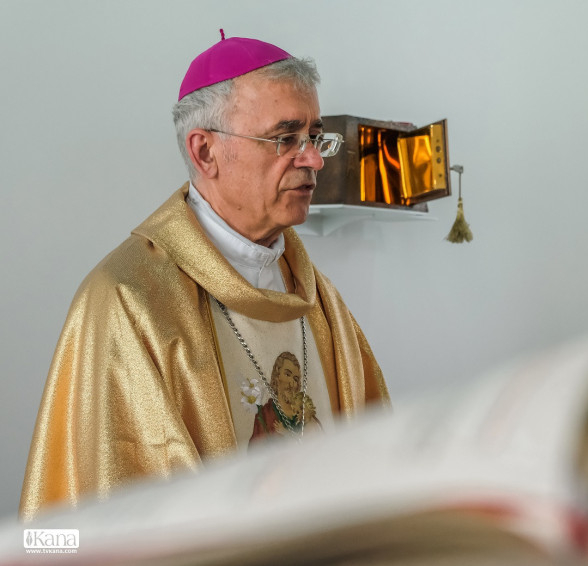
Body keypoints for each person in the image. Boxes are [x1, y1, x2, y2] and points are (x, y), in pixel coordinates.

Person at [19, 32, 390, 521]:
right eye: (285, 139)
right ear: (205, 152)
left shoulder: (318, 298)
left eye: (315, 137)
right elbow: (116, 509)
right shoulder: (126, 300)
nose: (314, 159)